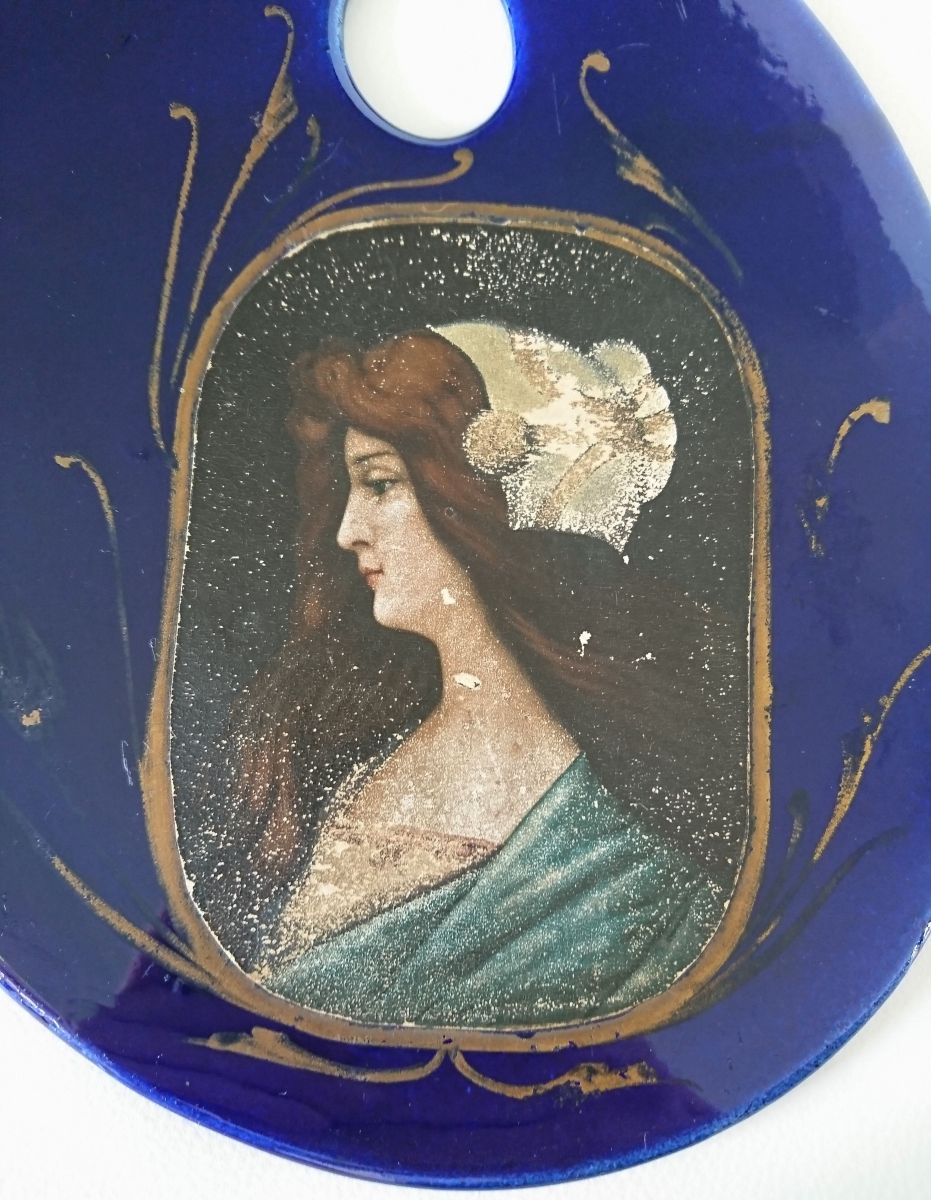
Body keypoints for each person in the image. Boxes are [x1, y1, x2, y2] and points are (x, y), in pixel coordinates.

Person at [226, 326, 735, 1029]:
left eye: (381, 483)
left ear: (479, 502)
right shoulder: (359, 764)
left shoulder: (641, 880)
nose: (347, 531)